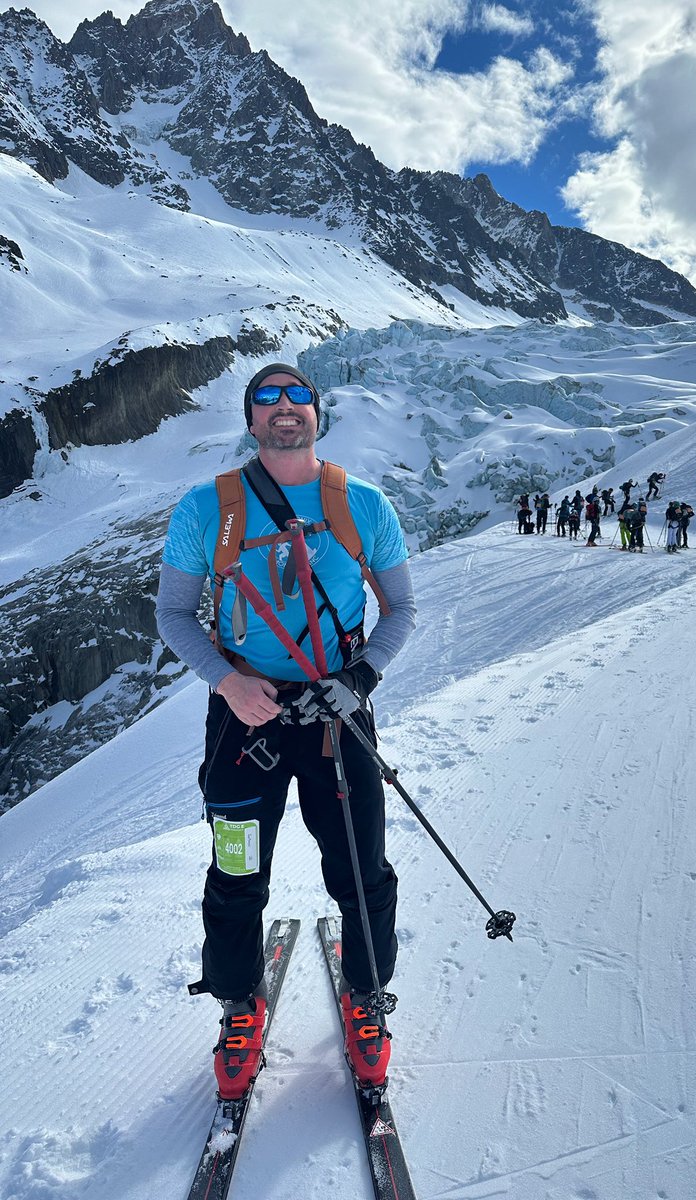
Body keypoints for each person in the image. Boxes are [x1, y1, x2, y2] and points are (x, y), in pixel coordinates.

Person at [155, 363, 416, 1099]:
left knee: (362, 868)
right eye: (266, 398)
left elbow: (400, 609)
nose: (283, 407)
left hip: (338, 715)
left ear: (316, 412)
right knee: (236, 870)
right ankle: (239, 1002)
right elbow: (173, 613)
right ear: (250, 420)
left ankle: (368, 993)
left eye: (296, 395)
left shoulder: (362, 504)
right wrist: (228, 682)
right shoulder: (207, 509)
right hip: (246, 717)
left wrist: (360, 679)